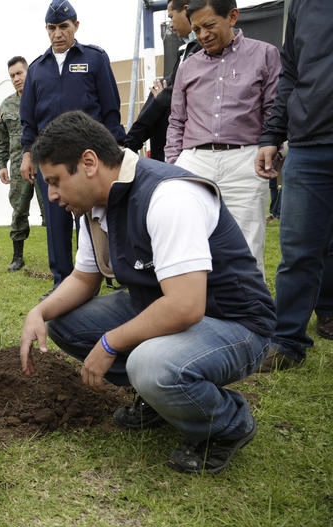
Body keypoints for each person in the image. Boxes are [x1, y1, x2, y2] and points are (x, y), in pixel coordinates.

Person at [20, 111, 275, 474]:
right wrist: (39, 312)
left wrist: (111, 342)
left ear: (89, 163)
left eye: (56, 180)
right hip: (165, 308)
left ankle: (227, 424)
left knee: (151, 365)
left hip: (234, 321)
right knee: (60, 319)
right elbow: (83, 278)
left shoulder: (168, 196)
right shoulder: (94, 207)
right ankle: (161, 399)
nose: (53, 195)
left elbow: (186, 305)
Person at [165, 0, 280, 276]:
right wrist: (172, 164)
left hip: (245, 160)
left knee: (247, 246)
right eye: (196, 29)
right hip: (194, 163)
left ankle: (253, 316)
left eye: (209, 25)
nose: (202, 35)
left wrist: (272, 150)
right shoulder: (187, 67)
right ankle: (202, 315)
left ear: (232, 16)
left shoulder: (265, 54)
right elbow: (177, 120)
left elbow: (274, 110)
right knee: (192, 248)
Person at [20, 0, 125, 298]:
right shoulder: (37, 70)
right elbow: (28, 119)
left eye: (63, 27)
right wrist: (28, 155)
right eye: (52, 28)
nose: (58, 34)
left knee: (95, 218)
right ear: (46, 30)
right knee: (55, 222)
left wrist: (113, 151)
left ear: (76, 26)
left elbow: (111, 110)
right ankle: (62, 283)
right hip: (50, 161)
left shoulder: (94, 59)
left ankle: (100, 275)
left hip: (89, 158)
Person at [254, 0, 333, 371]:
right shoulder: (302, 3)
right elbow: (290, 72)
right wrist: (273, 133)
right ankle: (286, 341)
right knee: (298, 250)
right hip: (309, 144)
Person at [123, 0, 200, 161]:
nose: (171, 25)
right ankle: (130, 145)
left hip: (193, 135)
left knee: (160, 97)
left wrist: (164, 97)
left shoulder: (201, 50)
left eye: (172, 17)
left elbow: (177, 92)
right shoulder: (185, 51)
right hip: (177, 134)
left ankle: (129, 145)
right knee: (160, 91)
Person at [0, 56, 45, 272]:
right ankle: (18, 257)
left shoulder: (42, 97)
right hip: (18, 168)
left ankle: (59, 254)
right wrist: (1, 164)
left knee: (53, 211)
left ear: (28, 73)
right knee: (19, 210)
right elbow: (1, 137)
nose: (16, 78)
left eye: (19, 73)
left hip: (44, 164)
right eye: (12, 75)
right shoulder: (6, 104)